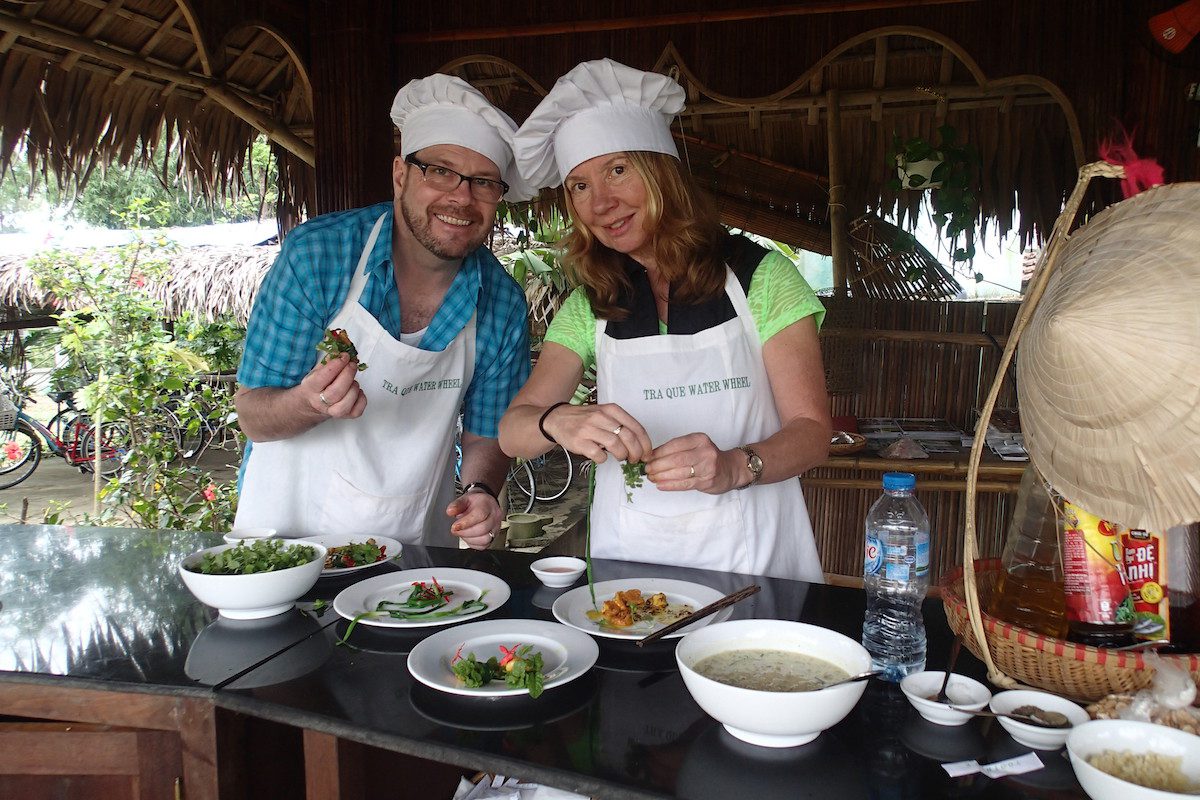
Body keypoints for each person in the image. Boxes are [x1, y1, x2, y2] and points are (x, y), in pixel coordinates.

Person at [499, 59, 831, 581]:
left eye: (617, 170)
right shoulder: (592, 300)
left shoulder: (761, 277)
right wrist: (557, 421)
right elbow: (512, 432)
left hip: (751, 563)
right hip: (629, 566)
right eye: (579, 186)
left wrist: (735, 465)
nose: (602, 203)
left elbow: (812, 433)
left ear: (662, 170)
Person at [234, 74, 535, 549]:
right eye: (440, 171)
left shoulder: (502, 303)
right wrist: (307, 405)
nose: (461, 197)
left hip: (409, 561)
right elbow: (253, 414)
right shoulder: (319, 257)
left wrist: (479, 490)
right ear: (401, 175)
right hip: (284, 547)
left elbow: (486, 435)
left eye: (483, 183)